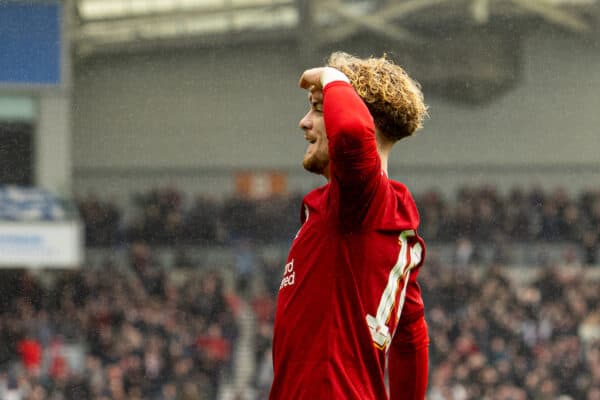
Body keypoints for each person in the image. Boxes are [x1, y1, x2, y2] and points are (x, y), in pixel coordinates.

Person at [270, 52, 429, 400]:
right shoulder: (385, 220)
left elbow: (354, 134)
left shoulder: (361, 201)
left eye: (318, 108)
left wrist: (332, 78)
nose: (304, 122)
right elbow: (410, 339)